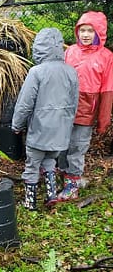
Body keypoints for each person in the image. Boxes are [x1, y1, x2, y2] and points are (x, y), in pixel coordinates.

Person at [11, 28, 79, 210]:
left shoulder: (36, 72)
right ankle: (51, 194)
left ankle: (30, 201)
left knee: (32, 165)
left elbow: (25, 103)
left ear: (39, 47)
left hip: (39, 130)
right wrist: (67, 125)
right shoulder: (71, 72)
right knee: (50, 160)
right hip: (60, 131)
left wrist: (17, 125)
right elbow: (74, 103)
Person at [57, 11, 113, 201]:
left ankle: (72, 185)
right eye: (82, 30)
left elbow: (107, 89)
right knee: (61, 145)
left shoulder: (106, 57)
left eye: (91, 30)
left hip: (87, 110)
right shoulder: (70, 51)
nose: (86, 35)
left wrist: (103, 119)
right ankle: (64, 177)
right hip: (65, 108)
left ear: (100, 33)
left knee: (77, 147)